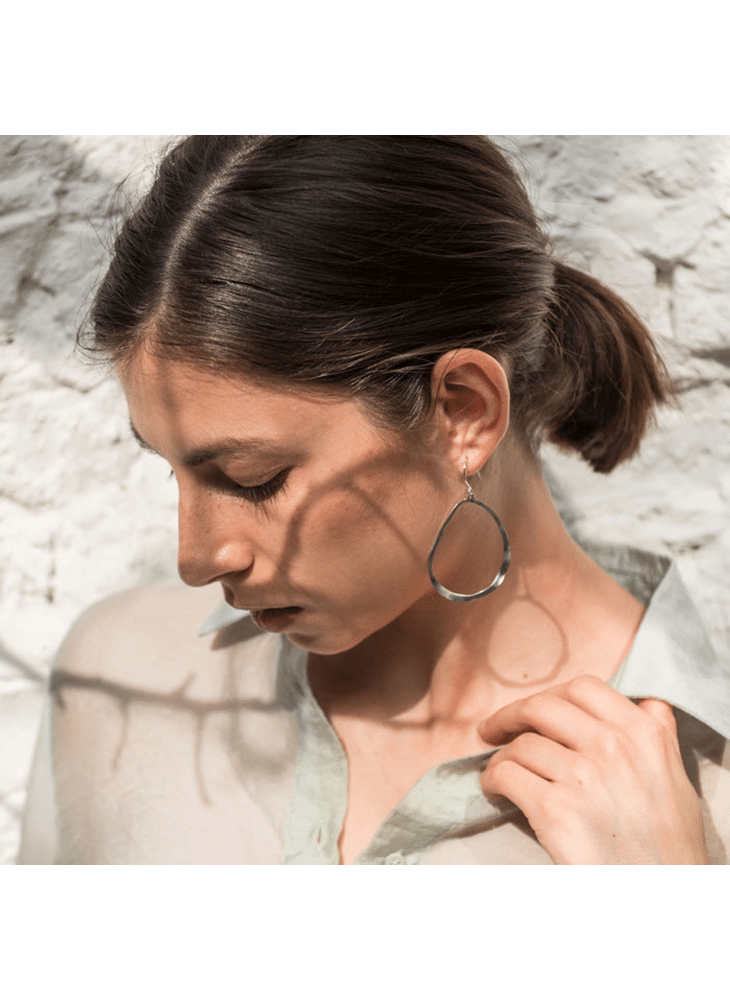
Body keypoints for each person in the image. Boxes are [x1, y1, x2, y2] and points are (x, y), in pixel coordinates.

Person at [18, 135, 730, 865]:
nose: (195, 559)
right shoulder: (118, 676)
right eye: (172, 470)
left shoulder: (703, 791)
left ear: (463, 412)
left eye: (255, 477)